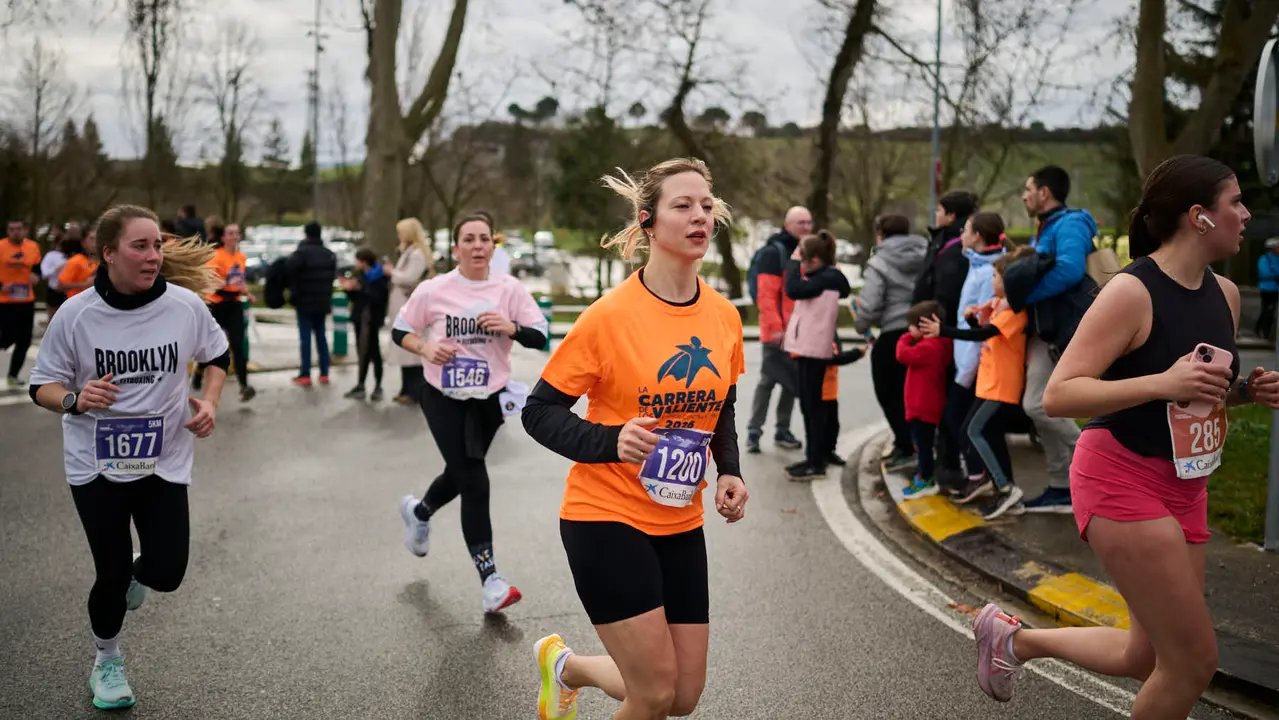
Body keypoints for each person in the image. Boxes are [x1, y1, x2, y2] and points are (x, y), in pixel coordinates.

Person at [969, 156, 1279, 718]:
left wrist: (1242, 392)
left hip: (1186, 484)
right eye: (1234, 201)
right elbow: (1061, 394)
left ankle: (1015, 641)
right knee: (1192, 662)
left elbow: (1192, 390)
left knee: (1147, 654)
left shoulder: (1225, 295)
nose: (1245, 213)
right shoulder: (1132, 292)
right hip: (1120, 476)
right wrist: (1164, 381)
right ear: (1198, 217)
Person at [520, 158, 749, 720]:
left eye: (706, 205)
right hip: (605, 516)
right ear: (648, 223)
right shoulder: (609, 317)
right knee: (651, 694)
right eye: (682, 205)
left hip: (679, 520)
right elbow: (539, 411)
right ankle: (570, 669)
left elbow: (721, 404)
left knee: (683, 697)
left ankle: (566, 667)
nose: (700, 215)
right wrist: (611, 440)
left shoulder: (723, 316)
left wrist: (730, 471)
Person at [27, 204, 230, 711]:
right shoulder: (75, 315)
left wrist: (209, 402)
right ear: (108, 252)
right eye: (140, 246)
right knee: (111, 571)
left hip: (163, 458)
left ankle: (142, 573)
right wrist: (76, 398)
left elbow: (217, 355)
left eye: (158, 245)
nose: (154, 255)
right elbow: (41, 386)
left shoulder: (185, 306)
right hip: (95, 461)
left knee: (167, 571)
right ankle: (107, 659)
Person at [392, 212, 549, 613]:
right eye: (469, 239)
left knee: (459, 473)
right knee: (474, 481)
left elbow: (541, 334)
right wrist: (426, 348)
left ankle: (420, 511)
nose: (478, 246)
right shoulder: (435, 289)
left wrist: (510, 327)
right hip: (442, 395)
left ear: (493, 245)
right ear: (456, 248)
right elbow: (400, 329)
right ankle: (491, 581)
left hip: (488, 401)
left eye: (484, 239)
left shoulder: (509, 289)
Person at [923, 245, 1035, 519]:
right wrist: (973, 319)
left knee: (972, 431)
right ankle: (1004, 488)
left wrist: (945, 331)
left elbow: (986, 333)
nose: (992, 281)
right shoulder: (999, 306)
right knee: (990, 435)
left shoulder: (1015, 313)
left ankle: (1005, 487)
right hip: (989, 385)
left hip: (1001, 386)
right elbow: (985, 334)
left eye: (996, 277)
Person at [1017, 165, 1097, 513]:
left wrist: (1022, 296)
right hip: (1044, 332)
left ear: (1044, 193)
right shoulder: (1047, 227)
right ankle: (1060, 486)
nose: (1024, 196)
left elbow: (1069, 269)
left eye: (1028, 189)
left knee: (1036, 404)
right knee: (1041, 406)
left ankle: (1097, 460)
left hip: (1065, 331)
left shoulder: (1071, 224)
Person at [853, 213, 929, 472]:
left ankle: (906, 446)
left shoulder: (880, 262)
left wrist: (861, 324)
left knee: (889, 393)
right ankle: (923, 445)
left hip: (894, 333)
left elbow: (871, 304)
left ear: (880, 233)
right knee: (918, 394)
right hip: (926, 331)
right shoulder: (928, 254)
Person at [943, 213, 1009, 497]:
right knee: (976, 427)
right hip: (970, 363)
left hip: (975, 366)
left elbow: (984, 330)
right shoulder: (979, 265)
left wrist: (965, 374)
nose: (962, 234)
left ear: (978, 236)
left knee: (965, 425)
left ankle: (985, 479)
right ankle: (991, 480)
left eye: (966, 230)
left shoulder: (988, 273)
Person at [782, 230, 851, 481]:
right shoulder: (826, 277)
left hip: (813, 351)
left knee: (813, 407)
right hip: (807, 349)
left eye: (802, 259)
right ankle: (815, 457)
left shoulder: (827, 278)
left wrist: (792, 259)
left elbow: (792, 288)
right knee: (810, 406)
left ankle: (816, 462)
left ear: (813, 259)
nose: (799, 264)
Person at [746, 206, 810, 454]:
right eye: (800, 222)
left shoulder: (805, 251)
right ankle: (754, 431)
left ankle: (782, 430)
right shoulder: (775, 253)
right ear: (788, 225)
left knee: (790, 382)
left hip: (798, 331)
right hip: (777, 331)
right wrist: (775, 328)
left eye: (809, 222)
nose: (806, 227)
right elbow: (766, 295)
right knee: (768, 380)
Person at [895, 301, 953, 498]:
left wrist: (906, 337)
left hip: (922, 405)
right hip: (928, 403)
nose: (909, 329)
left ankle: (925, 479)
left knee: (922, 444)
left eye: (912, 326)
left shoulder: (928, 347)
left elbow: (902, 355)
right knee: (925, 443)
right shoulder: (942, 343)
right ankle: (925, 475)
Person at [199, 220, 255, 401]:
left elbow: (239, 281)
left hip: (235, 304)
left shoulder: (241, 258)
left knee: (238, 345)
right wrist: (227, 284)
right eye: (230, 233)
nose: (233, 237)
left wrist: (247, 292)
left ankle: (244, 386)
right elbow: (211, 281)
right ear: (223, 237)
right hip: (217, 304)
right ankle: (200, 371)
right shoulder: (217, 256)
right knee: (211, 345)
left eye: (236, 233)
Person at [385, 218, 434, 404]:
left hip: (409, 305)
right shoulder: (409, 252)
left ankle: (414, 391)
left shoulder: (416, 255)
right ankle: (406, 388)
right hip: (403, 304)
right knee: (404, 349)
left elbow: (409, 278)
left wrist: (392, 272)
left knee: (411, 350)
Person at [286, 220, 337, 386]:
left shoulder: (301, 253)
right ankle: (324, 373)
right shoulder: (329, 255)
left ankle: (305, 373)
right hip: (322, 302)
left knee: (305, 338)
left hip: (304, 302)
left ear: (306, 234)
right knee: (321, 336)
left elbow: (289, 271)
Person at [340, 248, 390, 400]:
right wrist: (349, 290)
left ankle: (377, 386)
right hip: (360, 318)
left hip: (371, 319)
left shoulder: (379, 278)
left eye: (357, 260)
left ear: (364, 262)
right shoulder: (361, 276)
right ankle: (361, 384)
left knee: (373, 352)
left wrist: (361, 289)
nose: (355, 264)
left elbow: (378, 298)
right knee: (362, 352)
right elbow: (357, 298)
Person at [0, 219, 42, 386]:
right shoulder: (1, 247)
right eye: (12, 229)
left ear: (24, 230)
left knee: (24, 340)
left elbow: (37, 270)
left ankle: (13, 375)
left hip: (26, 299)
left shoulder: (32, 247)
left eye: (18, 229)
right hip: (4, 300)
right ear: (7, 231)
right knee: (7, 337)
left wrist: (36, 277)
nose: (15, 232)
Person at [42, 229, 74, 322]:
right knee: (53, 319)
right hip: (54, 291)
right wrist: (56, 269)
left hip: (69, 291)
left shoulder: (72, 256)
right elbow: (44, 273)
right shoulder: (50, 255)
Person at [59, 227, 100, 299]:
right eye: (91, 239)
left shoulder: (107, 261)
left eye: (98, 239)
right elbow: (61, 285)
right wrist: (85, 284)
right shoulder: (75, 261)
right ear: (83, 242)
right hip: (78, 305)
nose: (95, 243)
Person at [1255, 238, 1279, 340]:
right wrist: (1276, 275)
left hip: (1276, 288)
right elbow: (1264, 273)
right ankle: (1261, 329)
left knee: (1273, 311)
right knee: (1267, 309)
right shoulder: (1265, 259)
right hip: (1267, 288)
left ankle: (1268, 331)